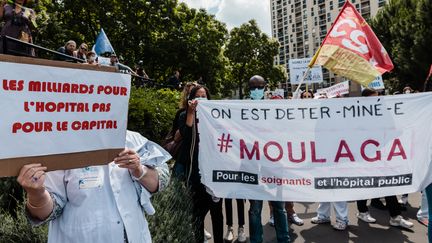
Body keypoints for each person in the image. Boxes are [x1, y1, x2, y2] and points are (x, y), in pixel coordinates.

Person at [17, 130, 171, 243]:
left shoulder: (131, 139)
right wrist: (36, 194)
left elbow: (161, 180)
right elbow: (50, 210)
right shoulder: (60, 146)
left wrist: (140, 170)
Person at [177, 85, 223, 243]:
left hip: (213, 170)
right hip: (196, 171)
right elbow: (186, 136)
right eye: (199, 96)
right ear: (191, 99)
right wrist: (191, 113)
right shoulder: (184, 115)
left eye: (205, 96)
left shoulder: (215, 116)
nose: (202, 99)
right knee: (198, 212)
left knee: (217, 211)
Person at [247, 75, 290, 243]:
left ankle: (283, 238)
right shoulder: (239, 109)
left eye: (259, 87)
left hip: (274, 164)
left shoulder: (274, 108)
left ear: (265, 87)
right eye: (253, 88)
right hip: (252, 165)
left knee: (279, 206)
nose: (256, 91)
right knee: (255, 209)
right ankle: (256, 240)